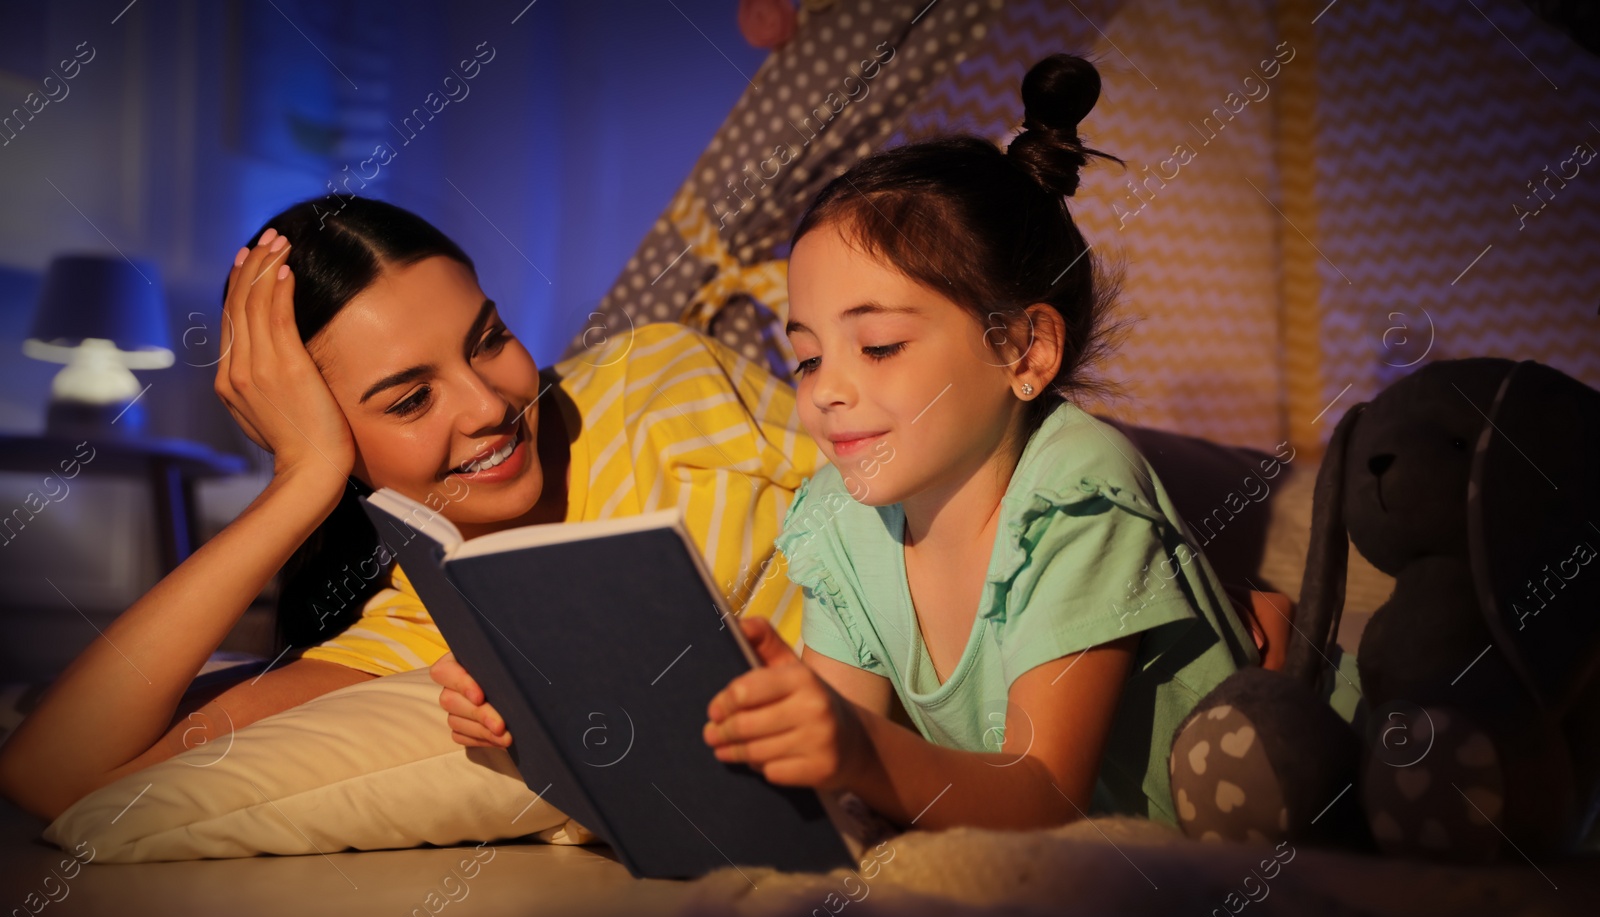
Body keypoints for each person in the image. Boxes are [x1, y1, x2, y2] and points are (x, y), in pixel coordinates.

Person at [0, 196, 819, 822]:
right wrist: (303, 479)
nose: (488, 406)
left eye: (488, 338)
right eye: (411, 399)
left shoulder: (660, 379)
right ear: (331, 435)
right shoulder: (431, 618)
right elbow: (50, 774)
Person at [689, 52, 1263, 832]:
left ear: (1024, 352)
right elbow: (840, 796)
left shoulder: (1077, 492)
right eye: (807, 356)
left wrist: (856, 746)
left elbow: (1044, 796)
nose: (825, 388)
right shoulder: (838, 516)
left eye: (880, 345)